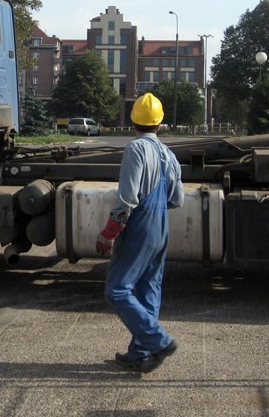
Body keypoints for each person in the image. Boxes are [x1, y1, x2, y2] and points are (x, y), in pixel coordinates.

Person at [96, 92, 184, 373]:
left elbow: (127, 198)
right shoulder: (168, 155)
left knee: (117, 290)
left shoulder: (135, 149)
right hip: (160, 226)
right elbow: (177, 199)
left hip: (140, 226)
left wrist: (109, 232)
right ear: (160, 124)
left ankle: (158, 340)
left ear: (133, 121)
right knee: (149, 288)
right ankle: (140, 354)